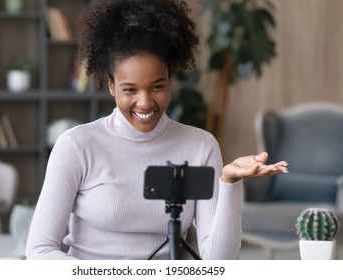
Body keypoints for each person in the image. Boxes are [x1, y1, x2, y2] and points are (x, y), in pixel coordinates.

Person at [25, 0, 288, 260]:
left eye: (157, 87)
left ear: (170, 82)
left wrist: (229, 182)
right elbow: (40, 250)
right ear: (111, 86)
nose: (145, 102)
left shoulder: (200, 145)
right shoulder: (76, 145)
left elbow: (217, 262)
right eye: (130, 90)